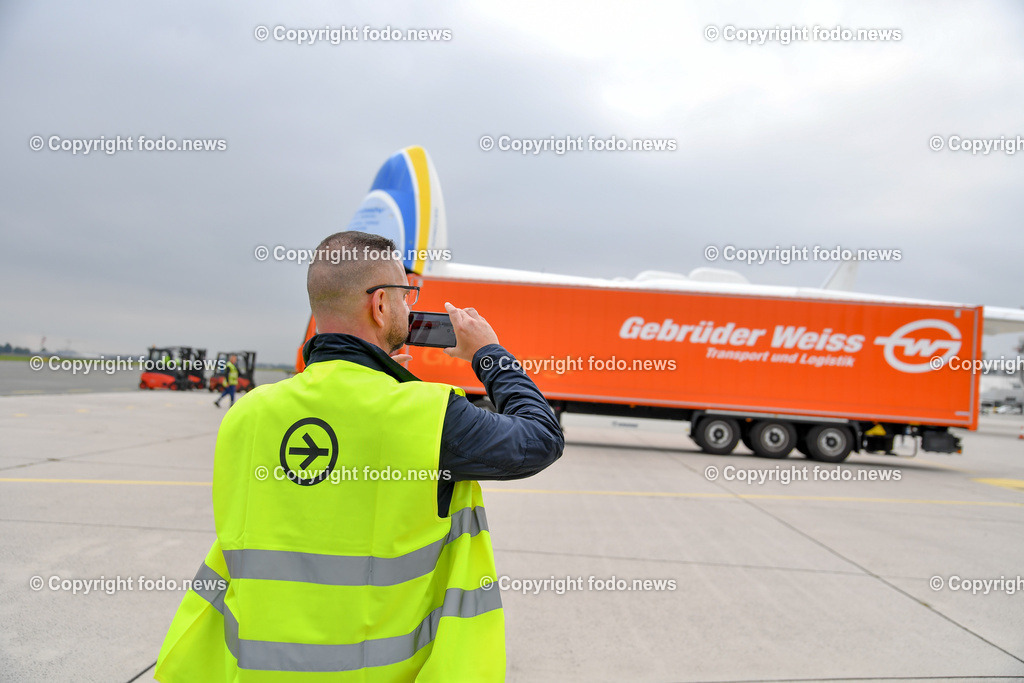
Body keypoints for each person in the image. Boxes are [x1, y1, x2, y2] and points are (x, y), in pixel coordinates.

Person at [156, 230, 564, 682]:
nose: (409, 308)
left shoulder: (246, 415)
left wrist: (388, 385)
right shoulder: (426, 415)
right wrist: (489, 354)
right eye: (406, 295)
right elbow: (540, 438)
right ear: (381, 304)